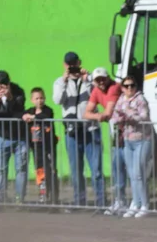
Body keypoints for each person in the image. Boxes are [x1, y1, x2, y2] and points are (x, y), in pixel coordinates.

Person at [52, 51, 102, 207]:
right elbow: (58, 100)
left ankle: (101, 202)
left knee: (96, 169)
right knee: (76, 170)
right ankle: (79, 201)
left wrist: (87, 80)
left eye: (74, 64)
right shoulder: (59, 82)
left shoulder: (89, 80)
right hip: (72, 132)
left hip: (90, 129)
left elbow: (99, 94)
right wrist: (65, 80)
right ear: (65, 65)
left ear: (79, 63)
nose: (72, 67)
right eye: (69, 65)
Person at [84, 67, 127, 214]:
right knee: (117, 166)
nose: (101, 82)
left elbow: (108, 113)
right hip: (116, 131)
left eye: (103, 78)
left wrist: (99, 115)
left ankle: (132, 202)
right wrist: (98, 116)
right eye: (97, 80)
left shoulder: (114, 87)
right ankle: (119, 201)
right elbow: (86, 113)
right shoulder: (96, 90)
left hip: (128, 131)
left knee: (132, 169)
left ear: (108, 77)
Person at [111, 75, 152, 217]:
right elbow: (115, 116)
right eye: (126, 86)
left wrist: (130, 116)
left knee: (139, 173)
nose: (129, 88)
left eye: (132, 85)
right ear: (122, 88)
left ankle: (145, 204)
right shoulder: (121, 99)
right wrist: (121, 118)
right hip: (127, 140)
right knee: (132, 174)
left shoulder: (141, 99)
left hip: (142, 139)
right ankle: (135, 202)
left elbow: (144, 117)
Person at [0, 71, 27, 204]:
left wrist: (11, 98)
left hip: (19, 137)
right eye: (0, 85)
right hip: (1, 136)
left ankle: (19, 200)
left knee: (21, 169)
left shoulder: (18, 91)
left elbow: (20, 112)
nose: (3, 88)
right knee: (0, 170)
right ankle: (1, 200)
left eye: (6, 84)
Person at [23, 87, 59, 205]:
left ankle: (54, 196)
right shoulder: (30, 111)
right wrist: (24, 116)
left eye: (41, 98)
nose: (39, 101)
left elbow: (44, 116)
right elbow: (20, 114)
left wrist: (32, 117)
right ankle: (42, 194)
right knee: (40, 170)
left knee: (51, 170)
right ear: (32, 100)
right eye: (37, 98)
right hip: (36, 147)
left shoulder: (48, 110)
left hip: (48, 146)